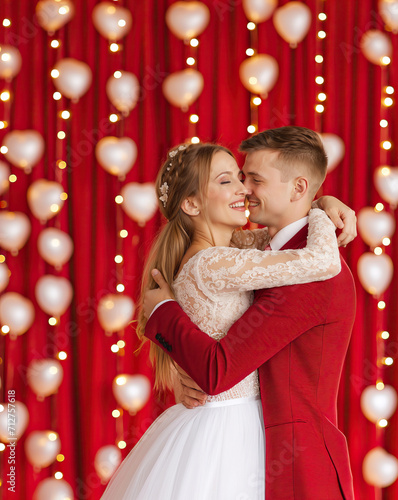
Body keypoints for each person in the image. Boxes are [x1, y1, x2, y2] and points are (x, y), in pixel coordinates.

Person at [102, 136, 353, 499]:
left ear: (298, 187)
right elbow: (218, 370)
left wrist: (321, 204)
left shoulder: (250, 252)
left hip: (283, 447)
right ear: (191, 203)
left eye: (250, 179)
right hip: (232, 430)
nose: (244, 190)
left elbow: (217, 363)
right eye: (232, 180)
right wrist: (163, 315)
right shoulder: (223, 259)